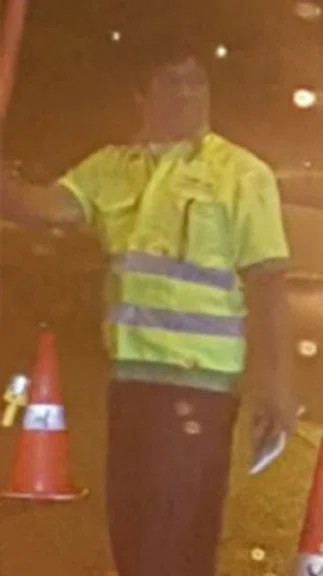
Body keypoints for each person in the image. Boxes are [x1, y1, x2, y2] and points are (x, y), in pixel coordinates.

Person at [0, 42, 297, 576]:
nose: (186, 93)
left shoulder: (242, 174)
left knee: (167, 543)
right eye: (170, 82)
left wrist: (276, 386)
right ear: (141, 96)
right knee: (136, 534)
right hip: (132, 386)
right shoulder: (112, 169)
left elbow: (268, 285)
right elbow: (41, 207)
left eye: (196, 82)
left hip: (199, 388)